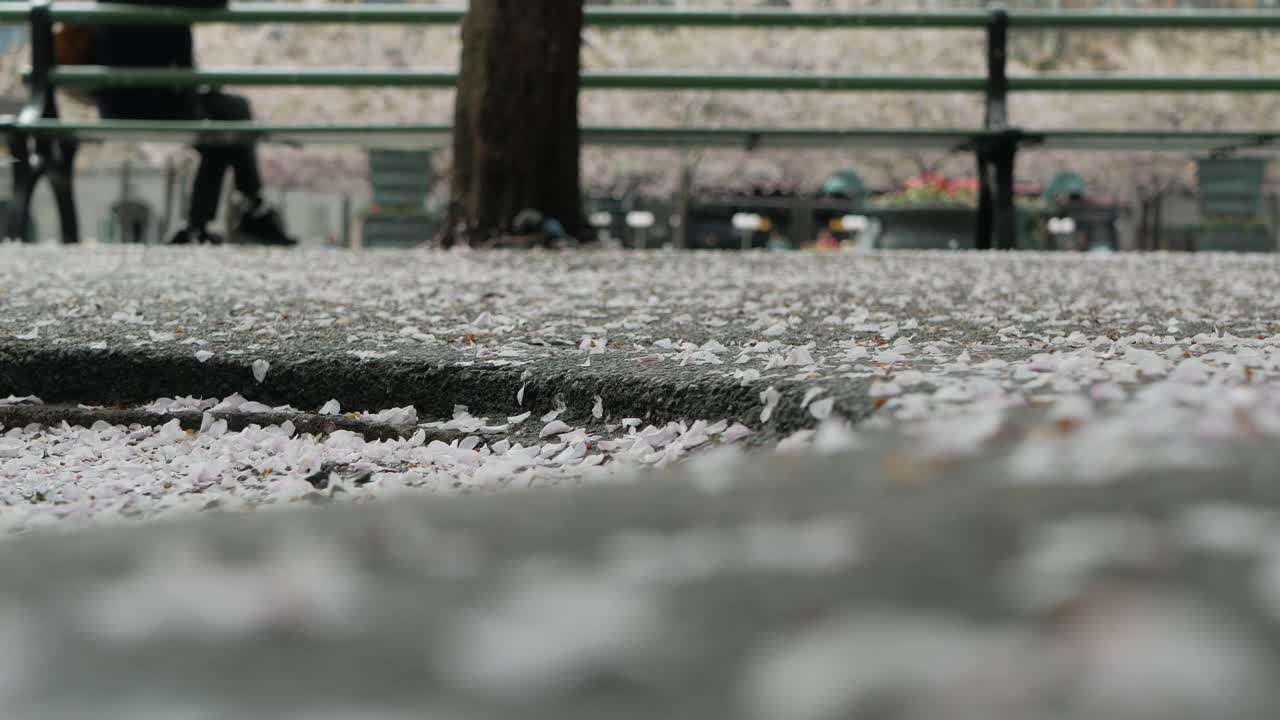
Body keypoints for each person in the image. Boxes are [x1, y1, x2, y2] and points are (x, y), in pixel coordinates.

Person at [89, 0, 296, 245]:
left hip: (116, 103)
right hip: (160, 101)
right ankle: (251, 207)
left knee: (222, 129)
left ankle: (208, 222)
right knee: (233, 115)